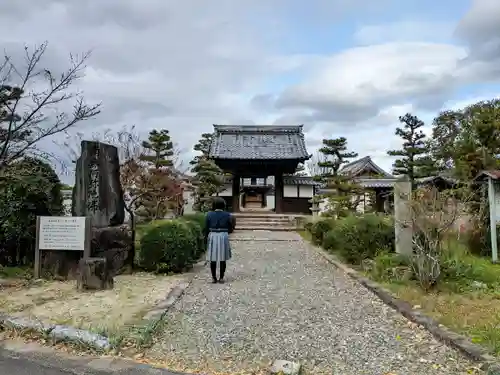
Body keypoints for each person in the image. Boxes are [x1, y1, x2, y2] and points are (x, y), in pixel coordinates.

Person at [204, 197, 234, 284]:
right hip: (223, 235)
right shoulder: (228, 215)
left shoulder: (209, 214)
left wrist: (206, 238)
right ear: (223, 205)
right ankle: (221, 278)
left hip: (213, 234)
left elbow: (206, 227)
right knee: (222, 258)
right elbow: (230, 228)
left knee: (212, 258)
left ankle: (213, 278)